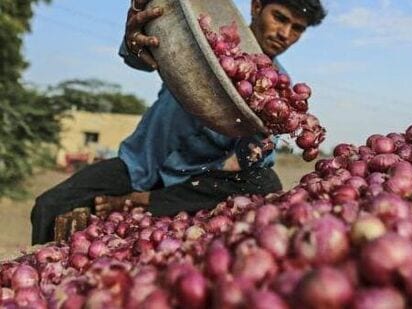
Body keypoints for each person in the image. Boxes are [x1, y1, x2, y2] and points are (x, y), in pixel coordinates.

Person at [30, 0, 326, 244]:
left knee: (265, 181)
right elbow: (146, 54)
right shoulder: (207, 43)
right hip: (140, 164)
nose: (284, 33)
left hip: (195, 180)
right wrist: (135, 41)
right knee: (49, 206)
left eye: (296, 29)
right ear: (256, 6)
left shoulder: (281, 94)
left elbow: (256, 160)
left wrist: (259, 138)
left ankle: (145, 201)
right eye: (279, 18)